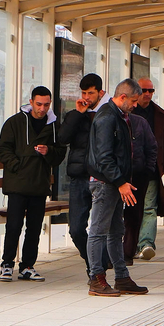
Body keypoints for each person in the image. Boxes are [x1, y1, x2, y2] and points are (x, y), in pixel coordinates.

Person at [0, 86, 67, 283]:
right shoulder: (15, 122)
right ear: (31, 102)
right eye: (38, 104)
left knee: (34, 227)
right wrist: (16, 165)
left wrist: (48, 152)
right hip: (17, 184)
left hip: (39, 184)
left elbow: (60, 154)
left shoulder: (53, 126)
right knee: (14, 225)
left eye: (46, 105)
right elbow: (2, 148)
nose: (42, 109)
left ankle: (27, 266)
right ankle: (7, 264)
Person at [86, 78, 149, 297]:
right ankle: (96, 277)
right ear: (122, 97)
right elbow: (104, 157)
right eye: (133, 101)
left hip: (113, 182)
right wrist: (121, 182)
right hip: (106, 182)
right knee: (98, 231)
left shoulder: (118, 116)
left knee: (116, 231)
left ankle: (121, 276)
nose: (135, 105)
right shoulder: (107, 118)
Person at [57, 73, 108, 278]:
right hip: (79, 177)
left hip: (102, 178)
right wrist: (79, 114)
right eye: (84, 93)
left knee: (100, 228)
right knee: (76, 229)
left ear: (100, 93)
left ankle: (97, 270)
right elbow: (62, 138)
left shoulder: (107, 113)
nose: (87, 97)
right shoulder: (75, 114)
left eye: (91, 93)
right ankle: (93, 262)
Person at [124, 78, 164, 262]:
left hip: (150, 169)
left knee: (149, 207)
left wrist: (159, 165)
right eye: (144, 90)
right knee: (131, 208)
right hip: (129, 170)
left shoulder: (159, 114)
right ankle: (130, 244)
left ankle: (146, 244)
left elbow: (163, 143)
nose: (147, 94)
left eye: (151, 91)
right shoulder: (128, 111)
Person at [124, 109, 160, 263]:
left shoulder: (141, 121)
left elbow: (153, 147)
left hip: (140, 176)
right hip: (117, 177)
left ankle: (137, 247)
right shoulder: (109, 119)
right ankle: (118, 252)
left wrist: (148, 170)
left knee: (141, 211)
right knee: (116, 216)